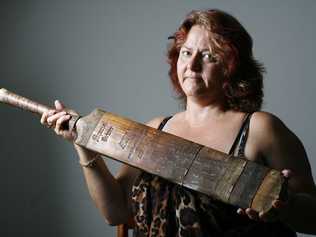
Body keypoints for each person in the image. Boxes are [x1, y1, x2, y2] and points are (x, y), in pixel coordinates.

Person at [40, 9, 316, 236]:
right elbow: (116, 212)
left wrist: (288, 207)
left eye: (209, 56)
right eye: (187, 52)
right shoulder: (155, 128)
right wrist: (83, 144)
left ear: (233, 67)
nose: (192, 65)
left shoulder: (260, 129)